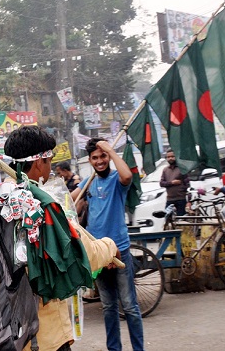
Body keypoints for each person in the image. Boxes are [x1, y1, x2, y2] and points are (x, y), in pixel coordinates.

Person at [4, 127, 118, 351]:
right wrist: (111, 248)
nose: (50, 168)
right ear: (39, 163)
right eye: (49, 160)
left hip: (4, 332)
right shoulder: (41, 206)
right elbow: (84, 255)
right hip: (44, 336)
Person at [71, 137, 144, 351]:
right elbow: (68, 204)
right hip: (98, 253)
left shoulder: (115, 180)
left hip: (120, 250)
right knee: (108, 306)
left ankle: (139, 349)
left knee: (129, 306)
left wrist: (110, 150)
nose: (100, 161)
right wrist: (75, 201)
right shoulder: (89, 182)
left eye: (103, 156)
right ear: (90, 160)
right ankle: (115, 348)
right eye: (95, 157)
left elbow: (128, 175)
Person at [159, 149, 190, 216]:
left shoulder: (182, 169)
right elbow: (161, 183)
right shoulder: (165, 170)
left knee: (181, 221)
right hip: (170, 199)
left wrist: (188, 200)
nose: (170, 158)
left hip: (181, 199)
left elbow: (187, 185)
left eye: (172, 156)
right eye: (168, 157)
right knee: (168, 219)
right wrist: (172, 183)